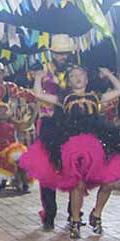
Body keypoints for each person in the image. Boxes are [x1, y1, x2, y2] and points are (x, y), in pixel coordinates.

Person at [19, 65, 120, 239]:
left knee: (109, 182)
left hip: (98, 141)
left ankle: (96, 213)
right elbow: (38, 95)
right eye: (73, 76)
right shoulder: (65, 97)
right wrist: (38, 78)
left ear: (86, 79)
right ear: (69, 81)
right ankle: (75, 220)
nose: (77, 78)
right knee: (77, 182)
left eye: (81, 75)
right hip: (73, 145)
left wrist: (108, 75)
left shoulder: (96, 97)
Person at [30, 34, 74, 230]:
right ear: (53, 53)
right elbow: (37, 95)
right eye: (59, 54)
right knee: (47, 170)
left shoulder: (75, 71)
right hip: (48, 123)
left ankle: (75, 211)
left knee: (74, 166)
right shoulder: (43, 72)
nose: (63, 57)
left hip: (71, 123)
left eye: (65, 54)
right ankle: (50, 213)